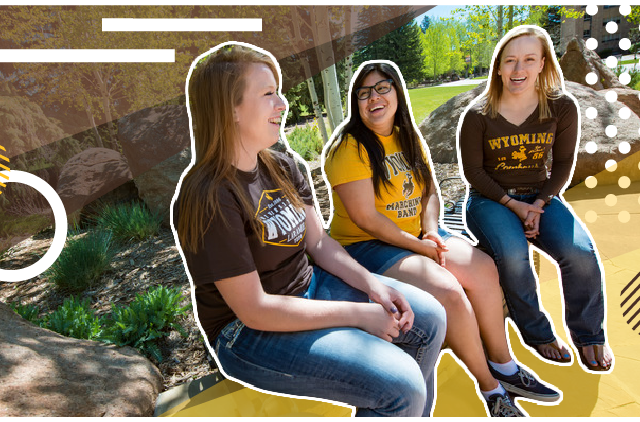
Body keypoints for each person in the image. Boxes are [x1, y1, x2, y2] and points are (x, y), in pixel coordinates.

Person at [171, 43, 447, 417]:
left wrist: (372, 283)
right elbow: (254, 309)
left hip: (308, 287)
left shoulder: (281, 164)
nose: (282, 104)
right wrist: (359, 314)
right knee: (402, 385)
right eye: (268, 94)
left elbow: (317, 241)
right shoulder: (208, 195)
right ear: (230, 109)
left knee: (429, 316)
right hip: (247, 332)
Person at [323, 60, 559, 418]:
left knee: (482, 269)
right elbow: (366, 219)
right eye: (364, 93)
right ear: (357, 103)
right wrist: (420, 246)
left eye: (382, 88)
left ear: (397, 93)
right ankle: (490, 388)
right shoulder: (348, 149)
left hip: (418, 233)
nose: (374, 98)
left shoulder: (408, 136)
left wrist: (431, 230)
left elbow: (430, 190)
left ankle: (505, 366)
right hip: (365, 246)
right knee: (448, 290)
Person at [457, 25, 613, 374]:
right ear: (498, 67)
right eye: (510, 61)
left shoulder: (561, 108)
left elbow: (562, 165)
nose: (518, 70)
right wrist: (516, 207)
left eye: (529, 59)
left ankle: (589, 335)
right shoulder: (477, 115)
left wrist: (539, 205)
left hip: (541, 196)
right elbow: (474, 173)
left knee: (581, 253)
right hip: (489, 201)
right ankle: (536, 332)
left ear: (543, 63)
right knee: (513, 255)